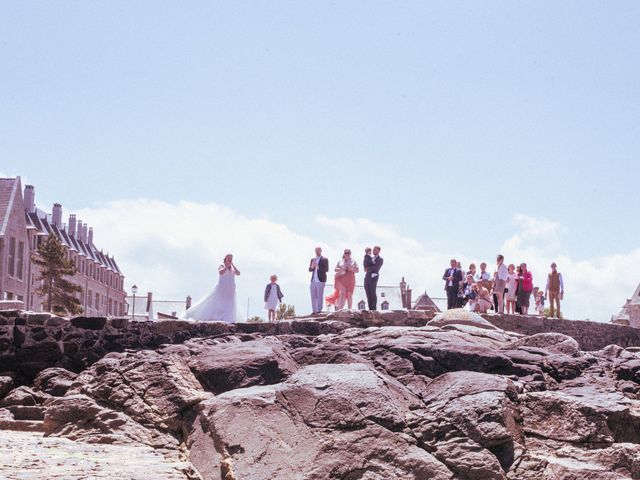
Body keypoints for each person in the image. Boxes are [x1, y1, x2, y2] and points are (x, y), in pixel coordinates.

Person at [184, 254, 239, 323]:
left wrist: (232, 265)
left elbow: (238, 273)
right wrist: (227, 266)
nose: (230, 260)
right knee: (218, 303)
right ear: (225, 259)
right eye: (229, 258)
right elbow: (221, 273)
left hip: (230, 290)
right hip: (222, 289)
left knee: (229, 305)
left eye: (231, 258)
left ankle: (228, 319)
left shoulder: (233, 268)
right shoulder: (222, 266)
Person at [309, 247, 329, 314]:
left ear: (321, 251)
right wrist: (312, 266)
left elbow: (326, 269)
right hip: (313, 280)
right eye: (316, 250)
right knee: (313, 296)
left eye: (318, 250)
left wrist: (318, 267)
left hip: (321, 280)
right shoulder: (312, 259)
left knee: (319, 295)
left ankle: (319, 310)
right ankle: (314, 311)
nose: (317, 251)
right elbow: (310, 270)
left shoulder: (325, 259)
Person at [363, 246, 384, 310]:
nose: (373, 251)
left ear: (378, 251)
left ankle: (374, 308)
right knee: (367, 291)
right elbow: (365, 265)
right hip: (367, 277)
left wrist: (368, 269)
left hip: (374, 277)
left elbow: (376, 268)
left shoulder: (380, 259)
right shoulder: (370, 258)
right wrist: (366, 268)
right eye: (373, 249)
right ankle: (370, 308)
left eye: (375, 250)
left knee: (372, 292)